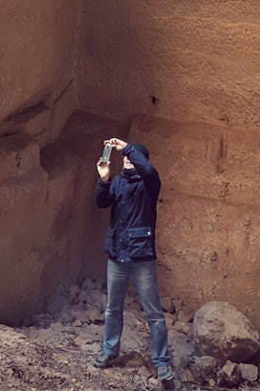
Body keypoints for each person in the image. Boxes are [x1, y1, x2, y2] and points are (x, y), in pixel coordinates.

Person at [93, 137, 174, 388]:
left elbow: (147, 170)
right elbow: (101, 202)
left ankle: (162, 362)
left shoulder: (150, 185)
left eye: (132, 157)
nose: (127, 160)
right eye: (125, 158)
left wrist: (126, 147)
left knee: (153, 314)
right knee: (112, 308)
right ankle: (110, 350)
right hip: (117, 256)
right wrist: (104, 179)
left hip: (141, 258)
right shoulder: (117, 183)